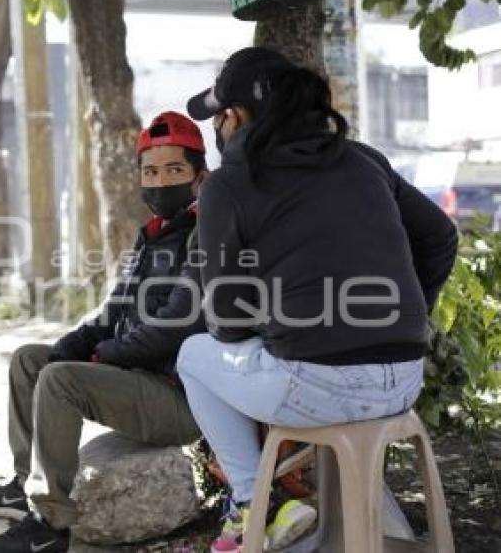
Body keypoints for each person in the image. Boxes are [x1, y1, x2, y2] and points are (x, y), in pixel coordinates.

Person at [177, 47, 459, 552]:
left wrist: (272, 326)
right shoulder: (364, 160)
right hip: (404, 378)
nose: (217, 129)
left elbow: (226, 317)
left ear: (235, 118)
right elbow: (439, 235)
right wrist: (408, 315)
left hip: (317, 389)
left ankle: (249, 506)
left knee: (193, 356)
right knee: (290, 358)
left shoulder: (230, 185)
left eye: (218, 118)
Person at [0, 112, 208, 553]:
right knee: (33, 361)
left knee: (62, 380)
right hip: (137, 380)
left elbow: (177, 321)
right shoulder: (150, 236)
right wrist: (72, 345)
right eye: (150, 172)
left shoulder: (204, 235)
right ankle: (24, 484)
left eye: (174, 170)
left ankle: (49, 526)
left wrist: (106, 355)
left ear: (198, 176)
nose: (160, 181)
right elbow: (115, 308)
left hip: (178, 397)